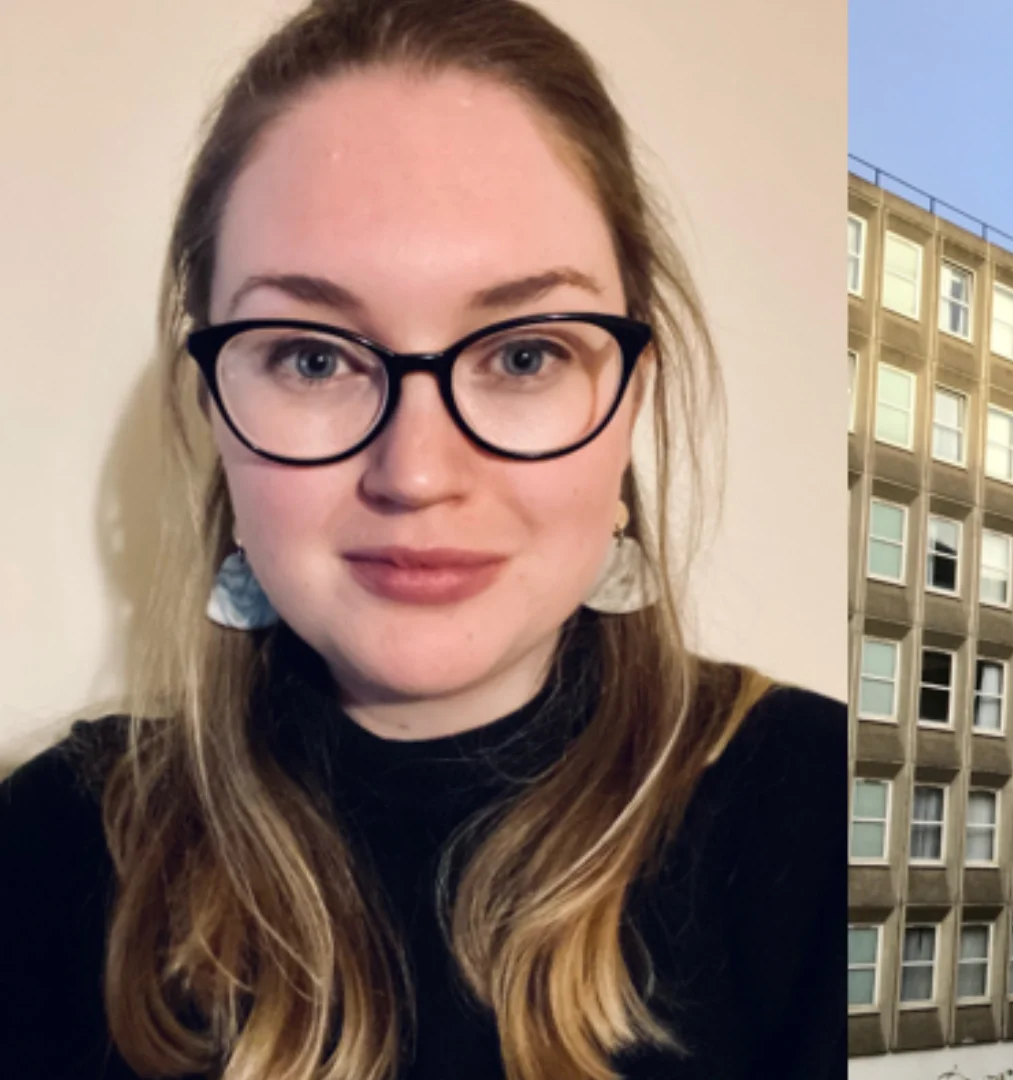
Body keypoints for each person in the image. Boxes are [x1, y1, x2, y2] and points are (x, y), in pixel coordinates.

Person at [0, 1, 845, 1077]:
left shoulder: (815, 821)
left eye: (525, 354)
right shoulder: (51, 852)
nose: (417, 473)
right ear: (215, 406)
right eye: (313, 357)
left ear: (628, 398)